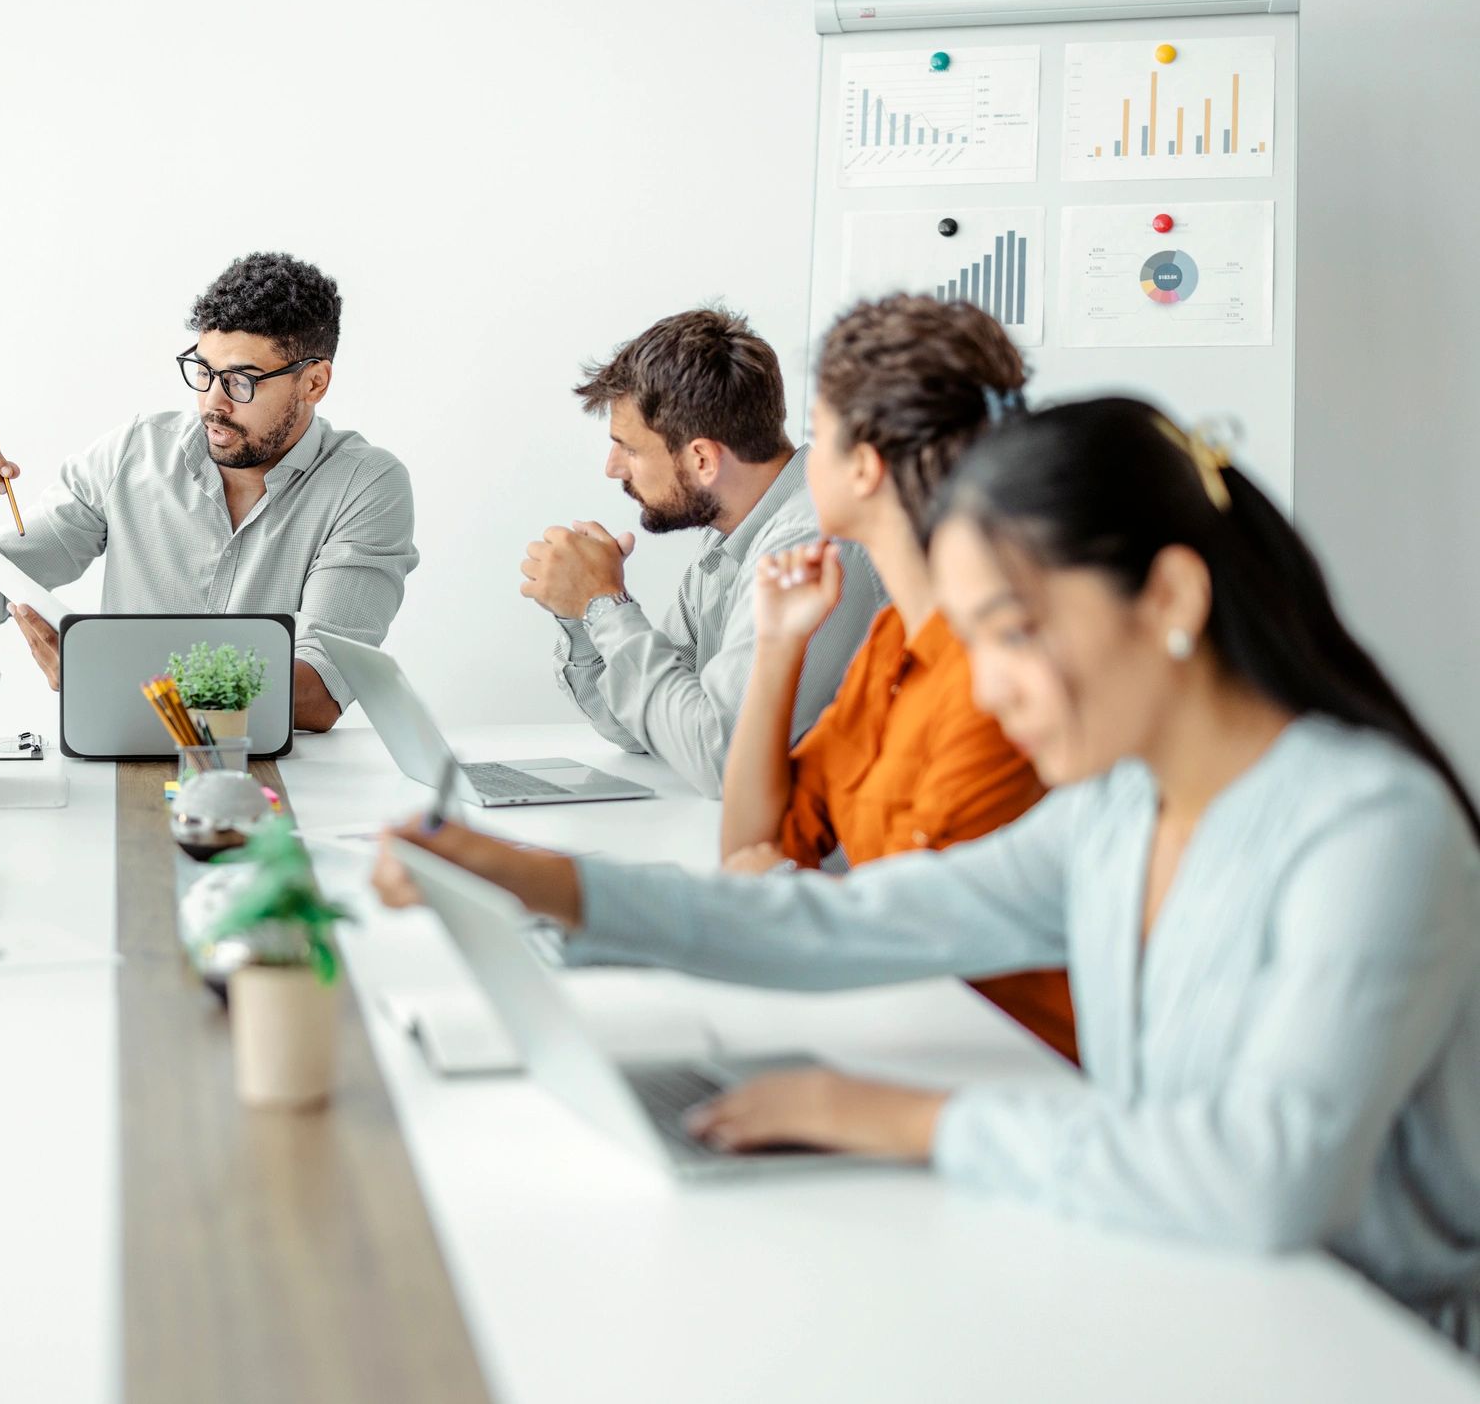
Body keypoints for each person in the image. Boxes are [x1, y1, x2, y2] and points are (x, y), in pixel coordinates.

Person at [377, 398, 1480, 1351]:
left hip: (1364, 1347)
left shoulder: (1370, 827)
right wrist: (531, 880)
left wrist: (894, 1116)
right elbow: (846, 922)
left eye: (1011, 633)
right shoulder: (1115, 814)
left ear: (1171, 601)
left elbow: (1261, 1173)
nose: (990, 690)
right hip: (1183, 1292)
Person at [717, 295, 1073, 1060]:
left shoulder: (996, 680)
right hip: (901, 1031)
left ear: (865, 468)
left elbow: (901, 937)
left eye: (816, 435)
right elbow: (750, 844)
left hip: (1013, 1065)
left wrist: (782, 888)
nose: (801, 459)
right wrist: (779, 648)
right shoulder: (891, 641)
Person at [0, 252, 418, 732]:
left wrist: (119, 676)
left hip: (280, 779)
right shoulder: (133, 453)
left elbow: (318, 694)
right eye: (203, 371)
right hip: (123, 756)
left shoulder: (366, 485)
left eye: (241, 381)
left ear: (314, 382)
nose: (213, 403)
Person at [525, 308, 881, 797]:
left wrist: (603, 604)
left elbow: (723, 761)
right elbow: (644, 729)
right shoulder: (727, 534)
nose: (612, 468)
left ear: (702, 459)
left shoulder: (814, 540)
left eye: (627, 448)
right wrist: (580, 610)